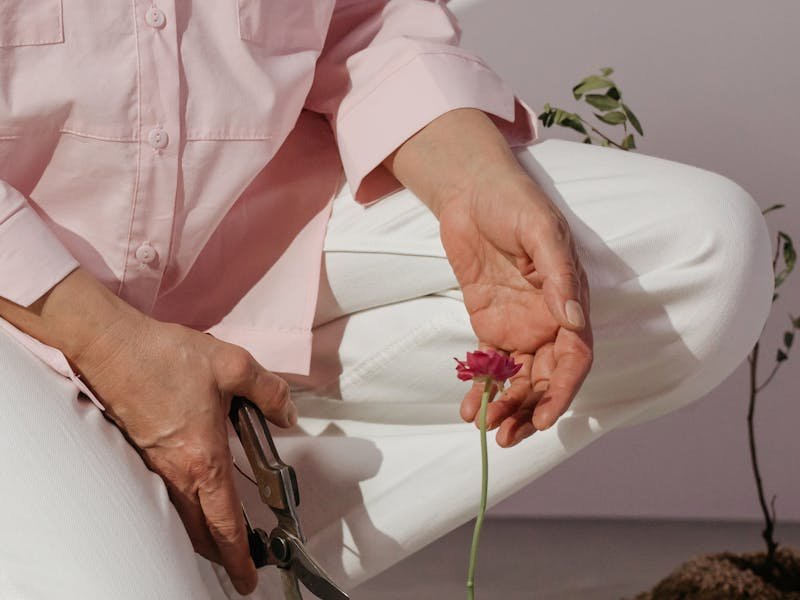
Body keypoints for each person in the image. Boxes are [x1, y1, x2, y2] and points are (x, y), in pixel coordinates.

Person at [0, 1, 773, 598]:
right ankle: (149, 538)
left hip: (250, 229)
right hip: (19, 310)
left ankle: (223, 540)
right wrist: (106, 343)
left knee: (704, 255)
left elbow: (366, 19)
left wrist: (471, 179)